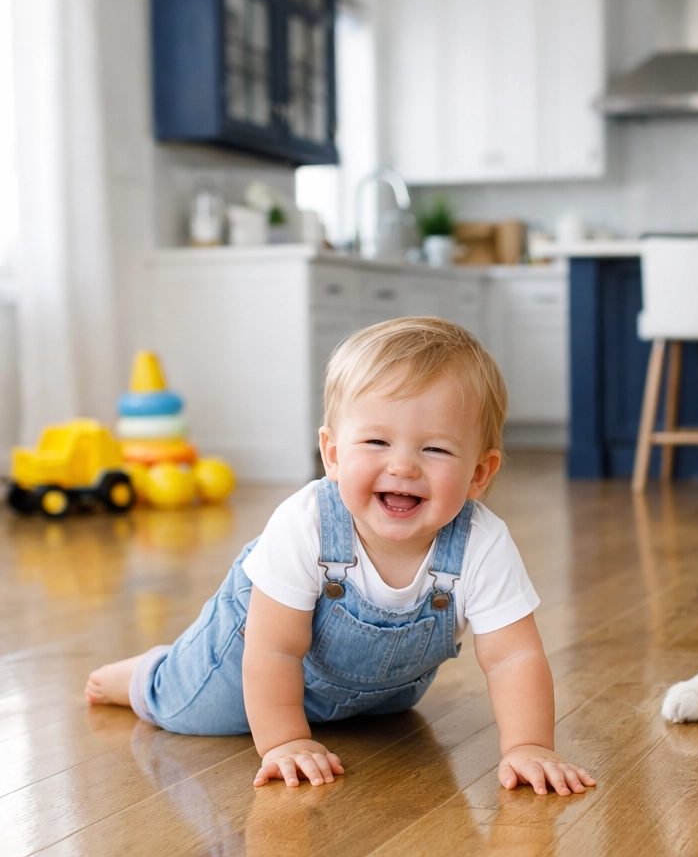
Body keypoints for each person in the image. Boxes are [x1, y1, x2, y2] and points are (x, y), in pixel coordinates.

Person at [86, 317, 594, 797]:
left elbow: (514, 656)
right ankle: (141, 674)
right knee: (186, 707)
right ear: (332, 454)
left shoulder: (483, 542)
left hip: (378, 695)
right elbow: (275, 650)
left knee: (383, 717)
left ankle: (323, 713)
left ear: (480, 474)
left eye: (435, 450)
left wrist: (528, 747)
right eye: (376, 441)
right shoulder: (306, 522)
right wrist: (285, 740)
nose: (402, 466)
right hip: (252, 654)